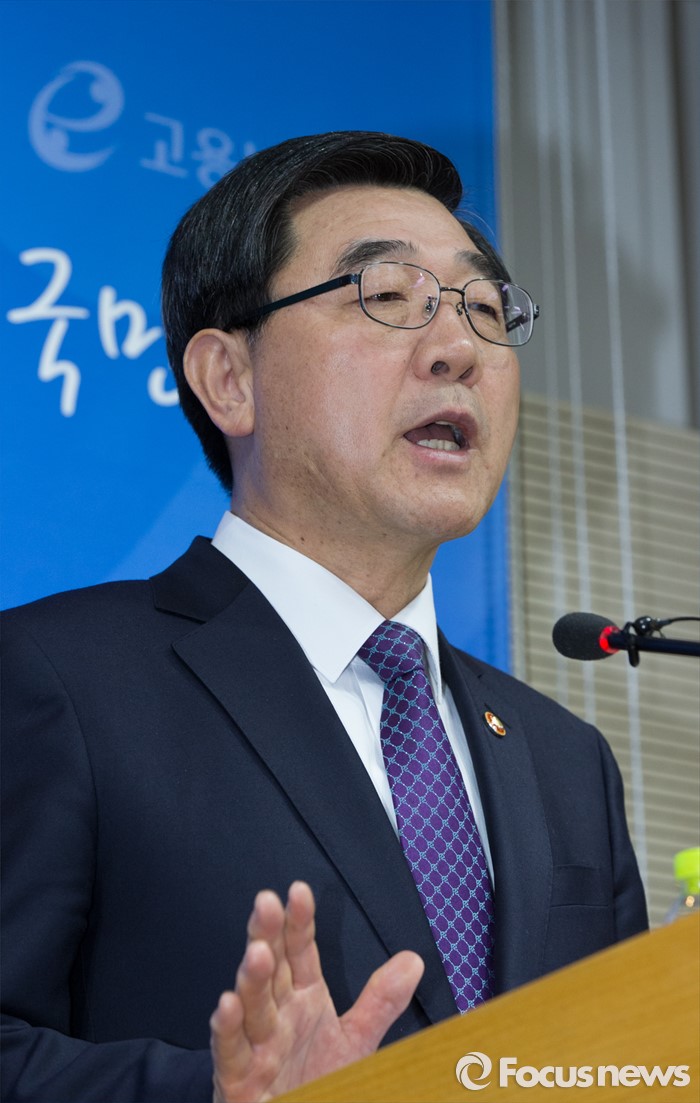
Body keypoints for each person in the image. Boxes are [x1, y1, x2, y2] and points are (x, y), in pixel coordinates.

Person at [1, 131, 648, 1103]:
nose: (460, 348)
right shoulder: (56, 679)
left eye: (484, 308)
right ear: (229, 378)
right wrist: (224, 1093)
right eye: (387, 295)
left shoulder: (566, 761)